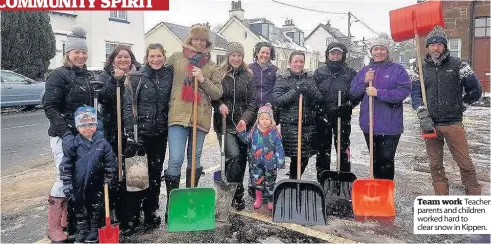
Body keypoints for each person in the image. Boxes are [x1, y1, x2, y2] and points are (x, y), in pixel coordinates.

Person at [411, 26, 483, 195]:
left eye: (439, 44)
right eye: (432, 44)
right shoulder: (420, 68)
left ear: (444, 46)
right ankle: (441, 200)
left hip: (453, 124)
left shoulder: (458, 64)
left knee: (465, 164)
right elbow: (415, 94)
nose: (435, 48)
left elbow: (475, 91)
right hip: (430, 125)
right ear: (427, 46)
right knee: (435, 165)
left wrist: (461, 106)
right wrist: (422, 112)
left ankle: (474, 201)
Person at [163, 24, 222, 222]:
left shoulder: (212, 66)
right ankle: (173, 204)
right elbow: (160, 76)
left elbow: (217, 93)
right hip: (178, 116)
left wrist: (203, 79)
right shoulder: (176, 58)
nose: (198, 43)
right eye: (195, 39)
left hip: (201, 116)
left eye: (202, 40)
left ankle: (190, 200)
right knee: (176, 159)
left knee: (195, 159)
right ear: (189, 39)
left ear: (207, 43)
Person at [43, 25, 96, 243]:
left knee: (78, 177)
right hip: (61, 135)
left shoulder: (87, 76)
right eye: (77, 52)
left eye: (84, 52)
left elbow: (89, 108)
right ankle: (53, 226)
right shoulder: (58, 75)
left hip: (84, 135)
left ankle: (65, 219)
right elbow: (50, 107)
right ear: (68, 53)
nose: (81, 56)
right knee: (63, 176)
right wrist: (65, 133)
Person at [122, 43, 173, 232]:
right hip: (139, 133)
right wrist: (130, 132)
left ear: (164, 57)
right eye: (152, 56)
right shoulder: (137, 77)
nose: (156, 59)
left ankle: (151, 210)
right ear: (147, 58)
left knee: (154, 173)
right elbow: (128, 105)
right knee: (136, 175)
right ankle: (132, 217)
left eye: (159, 56)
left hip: (160, 133)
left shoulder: (169, 75)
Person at [349, 33, 411, 180]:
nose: (378, 52)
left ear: (387, 51)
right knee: (375, 161)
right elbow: (353, 93)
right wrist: (364, 81)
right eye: (375, 49)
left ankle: (386, 194)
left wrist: (379, 92)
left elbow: (403, 92)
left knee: (386, 163)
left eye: (382, 49)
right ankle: (377, 193)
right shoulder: (365, 70)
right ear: (371, 51)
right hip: (369, 125)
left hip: (390, 126)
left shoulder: (397, 70)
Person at [97, 44, 141, 226]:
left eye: (127, 57)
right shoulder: (105, 75)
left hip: (132, 129)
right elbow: (102, 97)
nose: (123, 60)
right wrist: (115, 81)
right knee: (114, 170)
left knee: (132, 170)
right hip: (112, 129)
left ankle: (131, 209)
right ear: (113, 59)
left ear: (132, 58)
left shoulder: (138, 75)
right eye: (119, 57)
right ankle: (113, 207)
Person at [59, 106, 117, 243]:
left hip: (96, 183)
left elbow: (111, 162)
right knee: (79, 208)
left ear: (96, 125)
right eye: (83, 125)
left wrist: (109, 177)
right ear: (78, 127)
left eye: (91, 124)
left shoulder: (103, 143)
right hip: (77, 184)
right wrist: (66, 182)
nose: (88, 128)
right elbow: (66, 164)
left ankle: (94, 230)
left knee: (95, 208)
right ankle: (82, 229)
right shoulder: (74, 144)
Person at [212, 42, 257, 211]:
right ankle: (236, 193)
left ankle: (234, 192)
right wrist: (219, 104)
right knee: (234, 156)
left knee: (241, 160)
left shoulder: (249, 75)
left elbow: (253, 103)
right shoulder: (219, 74)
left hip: (243, 125)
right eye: (233, 55)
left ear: (242, 57)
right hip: (224, 124)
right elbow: (213, 95)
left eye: (239, 55)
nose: (236, 58)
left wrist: (245, 119)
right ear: (228, 57)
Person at [313, 42, 358, 184]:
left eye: (338, 53)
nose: (335, 56)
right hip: (323, 116)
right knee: (323, 149)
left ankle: (343, 178)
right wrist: (321, 108)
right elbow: (313, 94)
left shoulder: (350, 73)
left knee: (343, 147)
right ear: (327, 55)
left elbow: (356, 94)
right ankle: (323, 178)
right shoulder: (319, 72)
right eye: (332, 53)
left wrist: (348, 106)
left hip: (342, 116)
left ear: (343, 55)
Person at [272, 50, 322, 178]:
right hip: (290, 123)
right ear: (290, 63)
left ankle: (295, 179)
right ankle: (293, 180)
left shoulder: (309, 78)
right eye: (296, 61)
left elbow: (319, 99)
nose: (298, 64)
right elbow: (277, 101)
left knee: (304, 156)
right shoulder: (283, 78)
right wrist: (296, 90)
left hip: (308, 124)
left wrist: (309, 89)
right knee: (295, 154)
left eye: (301, 61)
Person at [238, 104, 285, 210]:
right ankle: (258, 199)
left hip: (270, 164)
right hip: (256, 163)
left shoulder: (274, 133)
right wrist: (240, 132)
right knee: (257, 180)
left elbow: (279, 147)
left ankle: (270, 199)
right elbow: (246, 140)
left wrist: (280, 160)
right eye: (262, 118)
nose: (264, 121)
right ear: (258, 119)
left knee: (270, 182)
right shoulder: (253, 132)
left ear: (271, 120)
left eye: (267, 119)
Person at [247, 41, 279, 198]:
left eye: (267, 52)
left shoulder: (274, 70)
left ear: (270, 54)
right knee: (253, 151)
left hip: (267, 114)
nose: (264, 55)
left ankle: (268, 186)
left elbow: (276, 90)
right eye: (262, 52)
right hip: (252, 113)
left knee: (268, 150)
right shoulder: (249, 68)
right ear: (257, 53)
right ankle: (254, 184)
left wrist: (270, 105)